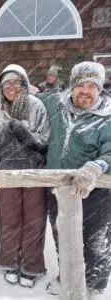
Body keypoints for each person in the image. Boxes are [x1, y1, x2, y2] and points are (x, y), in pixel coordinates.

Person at [42, 62, 111, 300]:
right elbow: (33, 98)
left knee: (95, 240)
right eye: (81, 84)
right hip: (58, 190)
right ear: (72, 87)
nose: (86, 91)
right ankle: (66, 275)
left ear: (100, 89)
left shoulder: (107, 116)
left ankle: (96, 282)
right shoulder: (55, 106)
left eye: (92, 86)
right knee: (63, 236)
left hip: (95, 193)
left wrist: (97, 166)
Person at [0, 64, 49, 288]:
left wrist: (23, 131)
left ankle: (32, 266)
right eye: (7, 83)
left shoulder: (37, 106)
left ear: (25, 84)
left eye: (17, 82)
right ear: (1, 87)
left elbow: (44, 142)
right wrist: (2, 130)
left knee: (34, 221)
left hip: (33, 172)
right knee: (8, 220)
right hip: (6, 173)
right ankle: (10, 261)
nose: (12, 87)